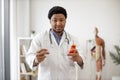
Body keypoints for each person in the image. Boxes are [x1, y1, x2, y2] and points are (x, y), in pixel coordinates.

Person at [26, 6, 84, 80]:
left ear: (65, 21)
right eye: (55, 20)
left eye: (61, 20)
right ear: (50, 21)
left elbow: (82, 60)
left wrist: (78, 58)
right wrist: (36, 60)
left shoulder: (73, 39)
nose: (58, 23)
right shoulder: (40, 38)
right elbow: (29, 56)